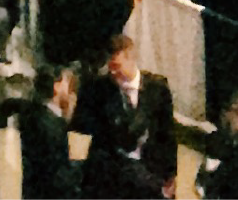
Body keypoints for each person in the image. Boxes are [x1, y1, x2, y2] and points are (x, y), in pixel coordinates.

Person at [76, 35, 177, 200]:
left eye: (117, 66)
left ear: (131, 58)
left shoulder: (157, 89)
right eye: (110, 67)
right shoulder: (100, 89)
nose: (113, 72)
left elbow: (167, 134)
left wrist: (171, 173)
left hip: (148, 171)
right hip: (112, 173)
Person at [9, 67, 78, 200]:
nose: (70, 91)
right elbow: (57, 171)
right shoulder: (50, 124)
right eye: (67, 83)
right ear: (56, 86)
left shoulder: (36, 116)